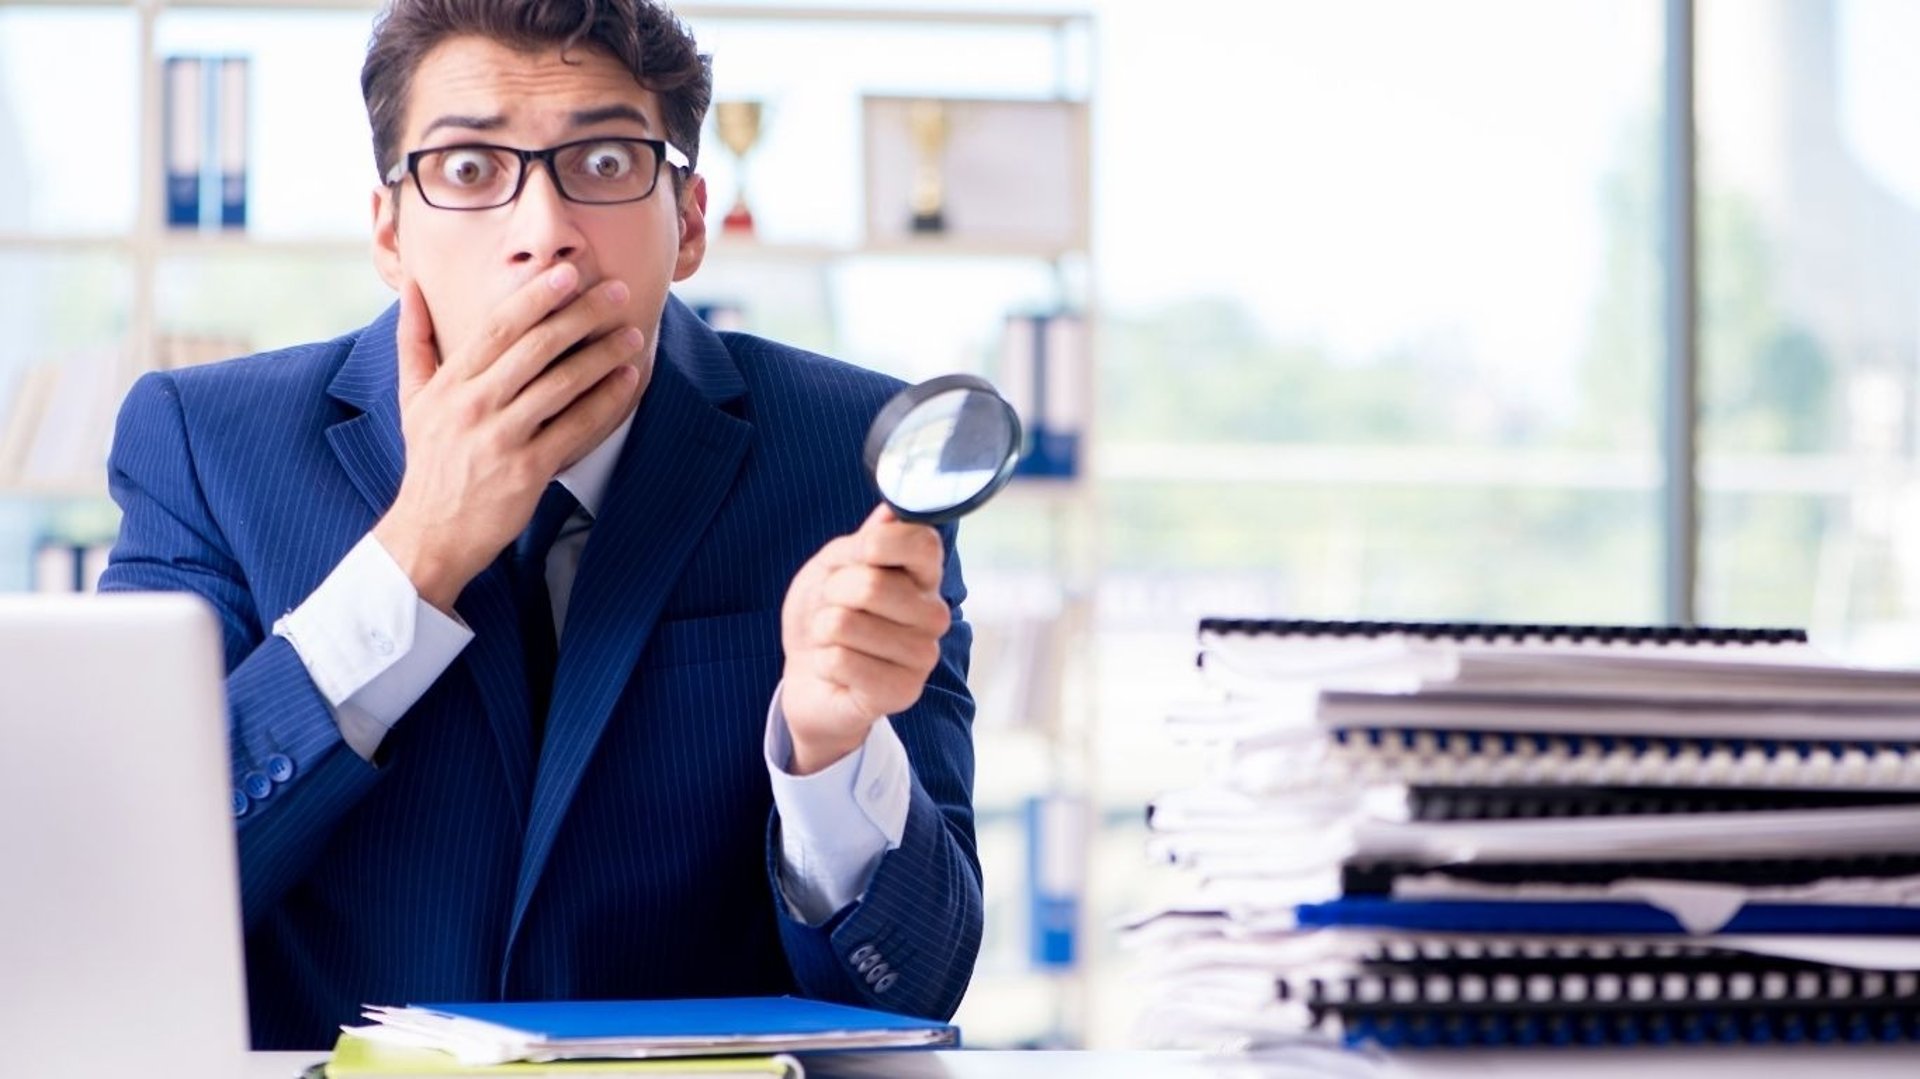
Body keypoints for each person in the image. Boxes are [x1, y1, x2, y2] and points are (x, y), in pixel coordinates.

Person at [99, 0, 982, 1050]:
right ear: (390, 231)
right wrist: (419, 550)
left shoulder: (848, 457)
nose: (543, 231)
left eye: (604, 162)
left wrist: (830, 750)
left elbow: (917, 987)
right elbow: (119, 904)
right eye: (470, 169)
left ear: (689, 220)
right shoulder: (205, 442)